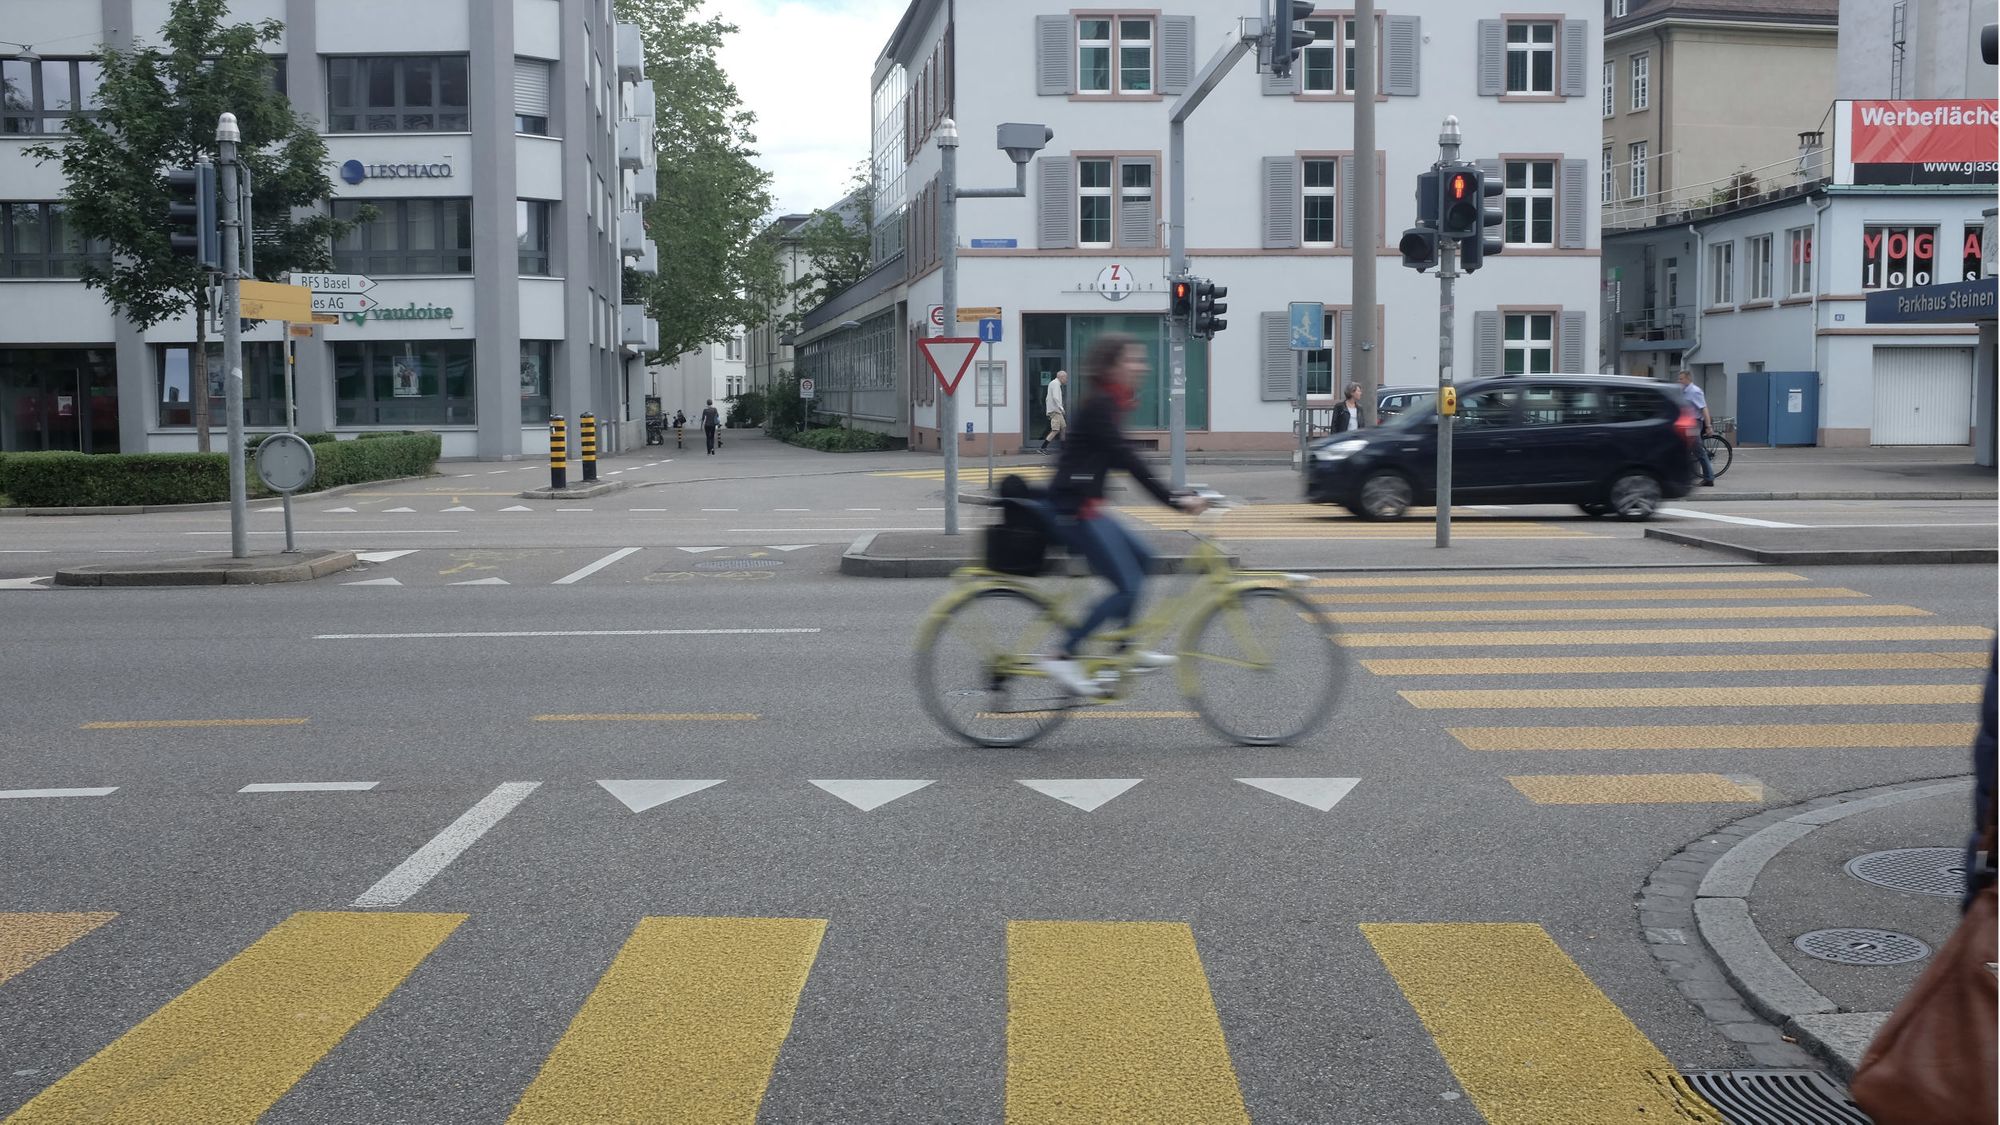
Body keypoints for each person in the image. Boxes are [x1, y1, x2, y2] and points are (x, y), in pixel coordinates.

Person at [1037, 335, 1205, 697]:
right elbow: (1130, 462)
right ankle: (1062, 654)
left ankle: (1125, 649)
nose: (1141, 367)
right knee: (1128, 586)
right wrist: (1176, 501)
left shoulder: (1111, 402)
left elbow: (1126, 458)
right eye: (1133, 360)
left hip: (1088, 507)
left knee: (1144, 558)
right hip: (1071, 511)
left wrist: (1179, 495)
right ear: (1112, 366)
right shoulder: (1101, 405)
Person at [1678, 370, 1716, 486]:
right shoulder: (1684, 391)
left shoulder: (1695, 391)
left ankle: (1709, 478)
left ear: (1688, 379)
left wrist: (1708, 426)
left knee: (1698, 450)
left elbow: (1704, 408)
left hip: (1694, 424)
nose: (1679, 381)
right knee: (1686, 450)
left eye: (1681, 379)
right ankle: (1686, 477)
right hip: (1687, 424)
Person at [1039, 370, 1068, 454]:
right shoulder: (1055, 384)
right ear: (1061, 377)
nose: (1066, 379)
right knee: (1055, 430)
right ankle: (1042, 448)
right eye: (1065, 377)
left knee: (1063, 428)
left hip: (1057, 411)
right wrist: (1061, 408)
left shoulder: (1055, 383)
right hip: (1055, 411)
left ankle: (1063, 448)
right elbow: (1055, 397)